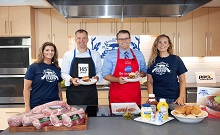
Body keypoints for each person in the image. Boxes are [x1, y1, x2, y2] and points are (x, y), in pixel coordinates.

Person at [102, 30, 147, 105]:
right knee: (117, 116)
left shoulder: (138, 54)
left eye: (126, 38)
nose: (124, 41)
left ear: (130, 39)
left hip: (134, 95)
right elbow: (105, 75)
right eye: (121, 39)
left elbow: (144, 72)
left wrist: (140, 74)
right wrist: (117, 80)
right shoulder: (110, 55)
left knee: (135, 116)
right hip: (117, 95)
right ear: (117, 41)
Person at [61, 29, 102, 105]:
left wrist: (97, 77)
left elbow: (100, 71)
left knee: (92, 115)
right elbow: (63, 73)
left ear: (87, 39)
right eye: (79, 38)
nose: (81, 40)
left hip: (90, 93)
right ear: (75, 40)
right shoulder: (68, 55)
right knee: (75, 116)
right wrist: (71, 79)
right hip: (74, 93)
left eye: (84, 38)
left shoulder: (95, 54)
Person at [147, 34, 187, 106]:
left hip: (173, 98)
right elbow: (149, 81)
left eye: (165, 42)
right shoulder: (152, 61)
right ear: (156, 45)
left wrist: (181, 97)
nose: (162, 44)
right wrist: (151, 97)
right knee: (157, 117)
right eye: (160, 42)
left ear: (169, 45)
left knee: (173, 117)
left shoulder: (176, 59)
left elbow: (182, 80)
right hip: (157, 98)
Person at [23, 42, 63, 112]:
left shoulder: (57, 69)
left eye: (52, 50)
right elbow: (27, 88)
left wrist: (61, 102)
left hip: (53, 106)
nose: (50, 52)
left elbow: (58, 87)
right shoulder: (34, 67)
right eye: (47, 50)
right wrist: (27, 107)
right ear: (42, 52)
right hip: (37, 105)